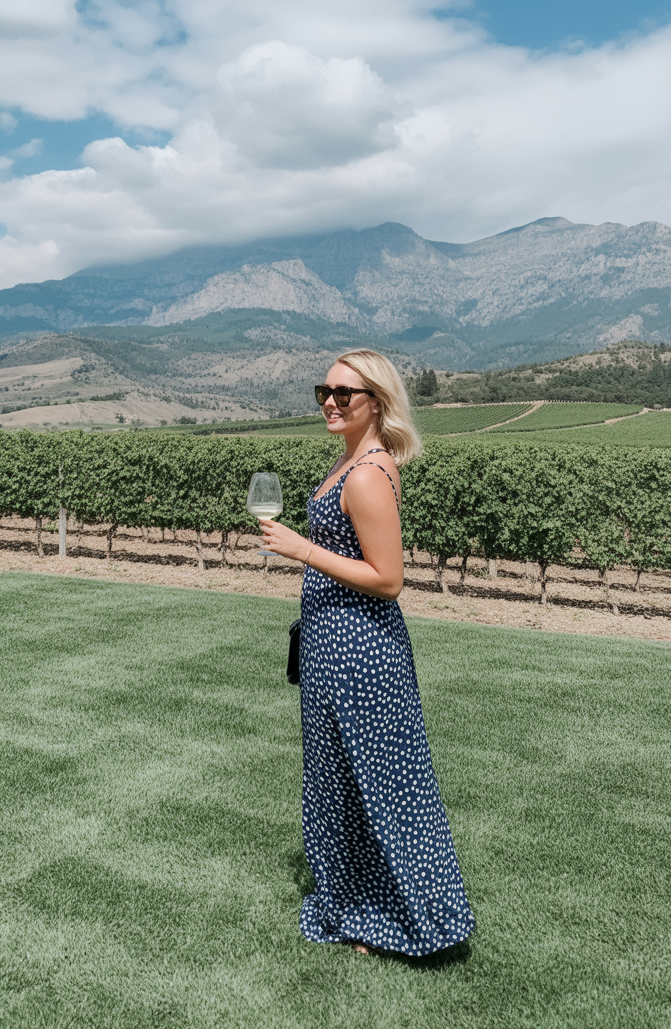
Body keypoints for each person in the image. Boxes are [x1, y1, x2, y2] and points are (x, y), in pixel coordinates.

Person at [258, 349, 475, 957]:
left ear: (376, 402)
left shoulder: (366, 474)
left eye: (344, 393)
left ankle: (414, 920)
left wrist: (301, 550)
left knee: (385, 784)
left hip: (362, 651)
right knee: (339, 784)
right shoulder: (346, 463)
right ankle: (357, 907)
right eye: (323, 390)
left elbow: (387, 578)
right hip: (331, 645)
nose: (330, 400)